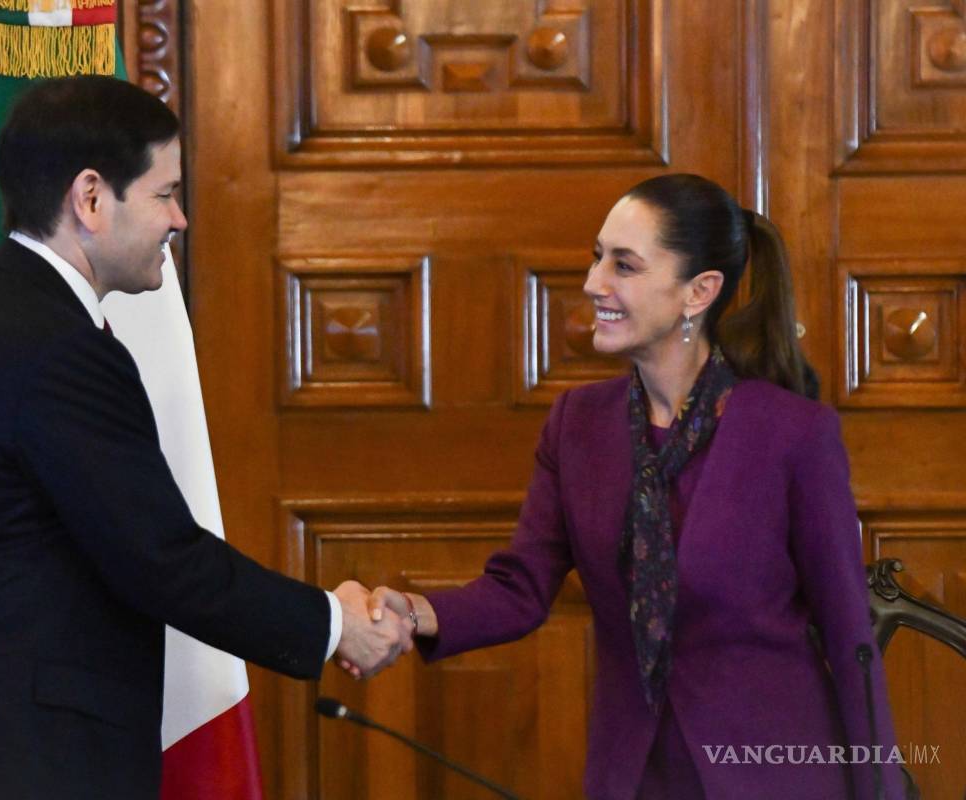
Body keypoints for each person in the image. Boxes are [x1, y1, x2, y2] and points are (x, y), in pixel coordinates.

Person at [0, 76, 411, 800]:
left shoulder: (11, 311)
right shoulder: (52, 344)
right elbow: (162, 558)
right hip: (5, 755)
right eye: (163, 194)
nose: (179, 219)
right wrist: (334, 625)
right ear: (90, 198)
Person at [367, 174, 905, 799]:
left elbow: (849, 636)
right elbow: (520, 588)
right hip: (632, 774)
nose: (594, 282)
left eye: (624, 265)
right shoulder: (576, 424)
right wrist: (413, 613)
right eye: (598, 257)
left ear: (699, 292)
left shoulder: (793, 433)